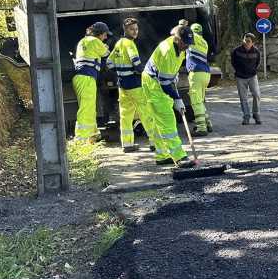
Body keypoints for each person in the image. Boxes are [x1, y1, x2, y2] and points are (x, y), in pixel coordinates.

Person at [142, 20, 195, 168]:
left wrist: (174, 76)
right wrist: (178, 98)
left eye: (189, 43)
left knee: (161, 120)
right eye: (185, 43)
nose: (187, 46)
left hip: (160, 81)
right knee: (167, 119)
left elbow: (170, 74)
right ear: (177, 39)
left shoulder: (180, 48)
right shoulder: (167, 51)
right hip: (153, 84)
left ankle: (162, 155)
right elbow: (164, 83)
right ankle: (179, 157)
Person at [109, 17, 158, 153]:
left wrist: (120, 72)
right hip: (135, 84)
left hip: (122, 86)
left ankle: (127, 144)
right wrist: (143, 72)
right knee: (145, 112)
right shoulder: (130, 44)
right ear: (125, 30)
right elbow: (136, 62)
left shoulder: (118, 43)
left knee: (125, 115)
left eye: (136, 29)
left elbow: (109, 63)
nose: (135, 31)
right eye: (132, 29)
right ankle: (154, 142)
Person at [72, 22, 110, 142]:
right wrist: (107, 46)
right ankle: (82, 138)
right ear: (99, 34)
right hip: (86, 77)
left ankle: (93, 133)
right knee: (86, 108)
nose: (106, 37)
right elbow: (106, 53)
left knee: (89, 107)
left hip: (81, 78)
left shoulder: (83, 41)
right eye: (105, 35)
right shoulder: (94, 41)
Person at [186, 22, 214, 137]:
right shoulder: (204, 42)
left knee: (196, 101)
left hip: (196, 73)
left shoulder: (193, 38)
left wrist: (183, 25)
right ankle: (208, 123)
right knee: (201, 101)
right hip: (206, 73)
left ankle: (201, 128)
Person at [230, 33, 262, 125]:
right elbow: (233, 62)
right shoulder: (236, 51)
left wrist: (252, 71)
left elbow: (257, 63)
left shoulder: (256, 52)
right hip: (240, 77)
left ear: (252, 43)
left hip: (252, 76)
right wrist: (238, 71)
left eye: (248, 41)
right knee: (243, 98)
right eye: (244, 40)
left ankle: (256, 114)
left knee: (256, 94)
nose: (246, 42)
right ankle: (246, 116)